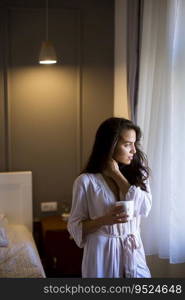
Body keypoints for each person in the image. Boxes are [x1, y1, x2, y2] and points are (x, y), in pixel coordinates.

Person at [67, 117, 152, 278]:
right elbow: (75, 226)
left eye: (134, 144)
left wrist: (117, 174)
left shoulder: (139, 176)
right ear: (109, 146)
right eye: (127, 145)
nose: (134, 150)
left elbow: (145, 207)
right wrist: (104, 220)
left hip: (133, 251)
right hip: (101, 255)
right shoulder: (86, 182)